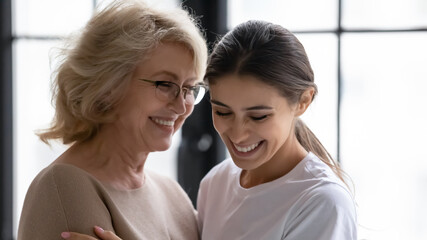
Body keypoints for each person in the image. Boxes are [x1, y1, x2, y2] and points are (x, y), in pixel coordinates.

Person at [61, 20, 357, 240]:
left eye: (258, 117)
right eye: (222, 111)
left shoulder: (322, 203)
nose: (238, 134)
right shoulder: (216, 184)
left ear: (303, 101)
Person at [17, 0, 207, 239]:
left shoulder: (172, 194)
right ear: (109, 86)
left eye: (189, 88)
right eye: (164, 84)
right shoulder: (65, 185)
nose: (181, 106)